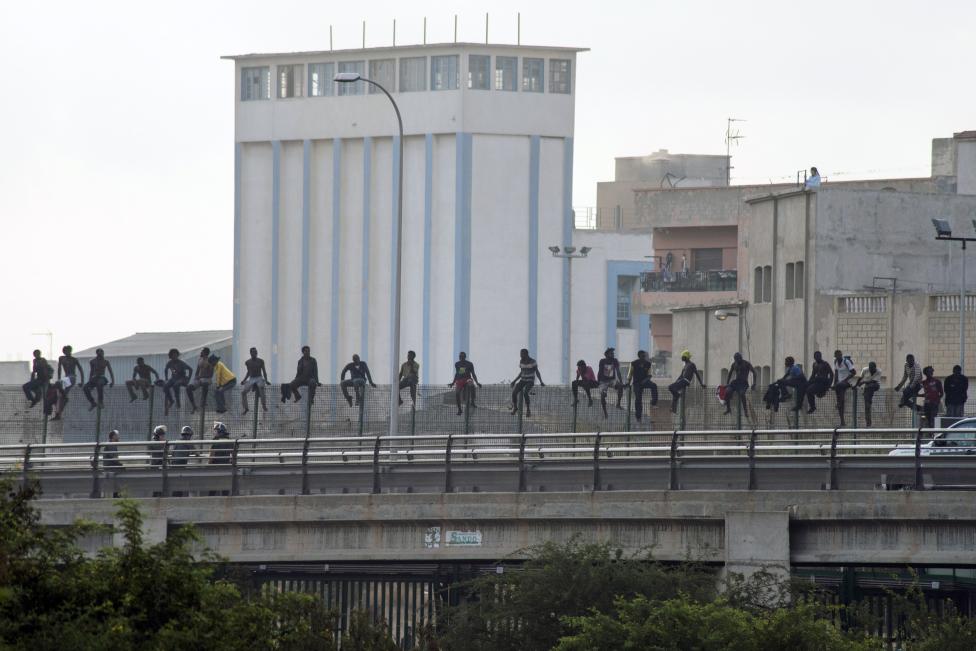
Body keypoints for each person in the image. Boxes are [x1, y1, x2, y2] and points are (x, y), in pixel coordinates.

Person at [509, 349, 544, 416]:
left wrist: (541, 381)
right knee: (514, 392)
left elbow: (537, 372)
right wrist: (514, 381)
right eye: (520, 354)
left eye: (522, 354)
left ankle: (528, 409)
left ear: (526, 354)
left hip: (530, 380)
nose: (520, 356)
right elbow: (521, 372)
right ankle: (515, 407)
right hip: (523, 380)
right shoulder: (521, 361)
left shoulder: (533, 361)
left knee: (525, 392)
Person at [53, 345, 84, 420]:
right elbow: (59, 369)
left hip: (72, 377)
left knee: (59, 387)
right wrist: (59, 378)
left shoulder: (74, 359)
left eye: (69, 351)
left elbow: (81, 370)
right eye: (66, 351)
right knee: (60, 397)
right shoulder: (61, 358)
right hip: (66, 378)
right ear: (64, 352)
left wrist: (82, 381)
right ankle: (58, 414)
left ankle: (64, 398)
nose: (67, 352)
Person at [627, 350, 658, 422]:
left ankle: (653, 403)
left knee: (654, 385)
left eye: (645, 355)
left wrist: (645, 380)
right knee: (638, 399)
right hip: (636, 383)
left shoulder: (648, 364)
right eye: (643, 355)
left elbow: (649, 375)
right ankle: (638, 416)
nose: (644, 356)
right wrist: (628, 383)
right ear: (639, 355)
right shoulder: (633, 363)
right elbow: (630, 374)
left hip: (645, 382)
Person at [163, 349, 193, 414]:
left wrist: (188, 379)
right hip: (173, 378)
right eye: (172, 355)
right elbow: (166, 370)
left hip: (182, 378)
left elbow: (190, 369)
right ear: (170, 356)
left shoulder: (181, 363)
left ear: (177, 355)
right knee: (165, 387)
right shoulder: (170, 363)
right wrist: (166, 379)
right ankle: (171, 400)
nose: (174, 357)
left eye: (175, 355)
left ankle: (178, 401)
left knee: (176, 385)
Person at [597, 348, 624, 418]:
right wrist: (598, 382)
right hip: (603, 381)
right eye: (611, 353)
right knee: (603, 395)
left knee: (620, 386)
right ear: (607, 355)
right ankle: (605, 412)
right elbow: (599, 372)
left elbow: (618, 372)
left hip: (612, 380)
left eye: (613, 353)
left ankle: (618, 404)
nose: (613, 354)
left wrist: (621, 382)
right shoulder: (602, 361)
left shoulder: (615, 361)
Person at [240, 347, 269, 414]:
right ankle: (246, 408)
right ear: (250, 353)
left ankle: (264, 405)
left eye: (256, 352)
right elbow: (248, 372)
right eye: (253, 352)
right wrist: (244, 380)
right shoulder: (247, 362)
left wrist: (266, 380)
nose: (255, 353)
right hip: (252, 378)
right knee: (243, 392)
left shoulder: (261, 361)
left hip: (259, 377)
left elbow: (264, 371)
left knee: (261, 387)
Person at [832, 350, 857, 427]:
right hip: (840, 383)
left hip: (849, 382)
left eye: (839, 356)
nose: (838, 357)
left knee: (840, 386)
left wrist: (845, 380)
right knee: (838, 388)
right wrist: (834, 383)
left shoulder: (846, 361)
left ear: (841, 355)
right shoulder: (836, 362)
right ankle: (842, 421)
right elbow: (836, 373)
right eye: (836, 356)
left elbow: (854, 372)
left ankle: (839, 402)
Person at [185, 347, 213, 414]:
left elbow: (210, 374)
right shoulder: (200, 359)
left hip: (207, 379)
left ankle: (203, 400)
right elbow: (197, 370)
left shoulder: (210, 361)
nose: (200, 353)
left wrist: (201, 376)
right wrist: (195, 378)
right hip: (199, 379)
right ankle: (194, 405)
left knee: (205, 384)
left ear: (205, 353)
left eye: (202, 352)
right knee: (188, 388)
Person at [854, 361, 882, 427]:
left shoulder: (879, 371)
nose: (872, 371)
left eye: (873, 370)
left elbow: (873, 381)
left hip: (875, 385)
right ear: (869, 368)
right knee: (867, 407)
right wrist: (856, 385)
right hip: (867, 388)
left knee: (871, 385)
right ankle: (868, 423)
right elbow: (860, 378)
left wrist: (863, 382)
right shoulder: (865, 370)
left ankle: (868, 398)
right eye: (871, 370)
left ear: (875, 368)